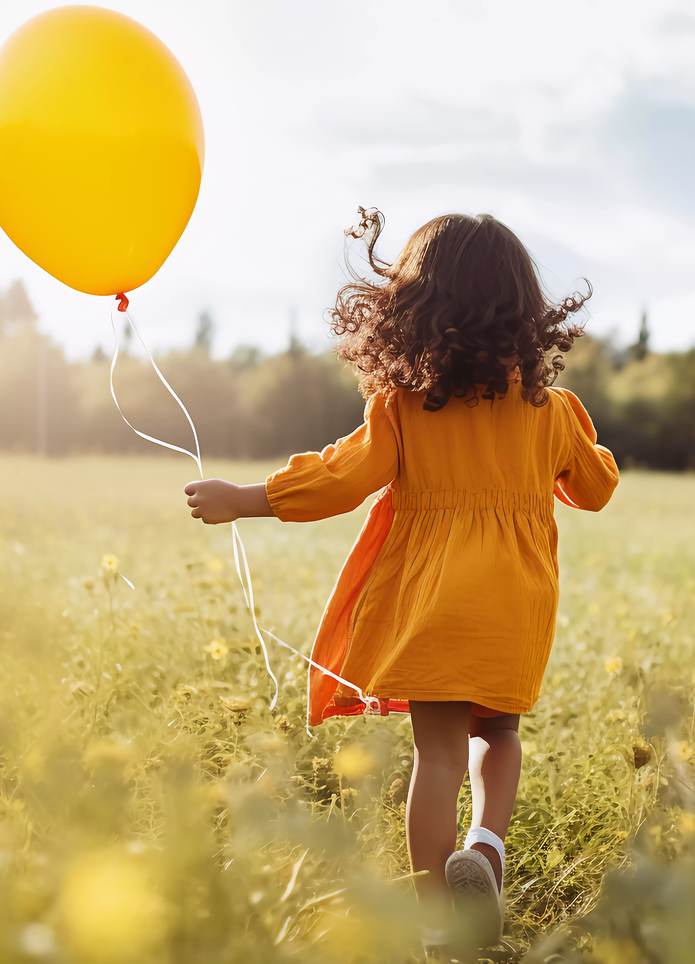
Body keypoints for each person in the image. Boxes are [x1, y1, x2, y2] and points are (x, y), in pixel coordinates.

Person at [183, 208, 618, 954]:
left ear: (413, 307)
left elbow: (340, 481)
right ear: (525, 309)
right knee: (500, 734)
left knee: (439, 755)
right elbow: (597, 486)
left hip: (434, 603)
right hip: (515, 602)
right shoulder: (553, 411)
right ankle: (484, 847)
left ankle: (435, 918)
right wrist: (567, 457)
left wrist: (246, 500)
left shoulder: (403, 407)